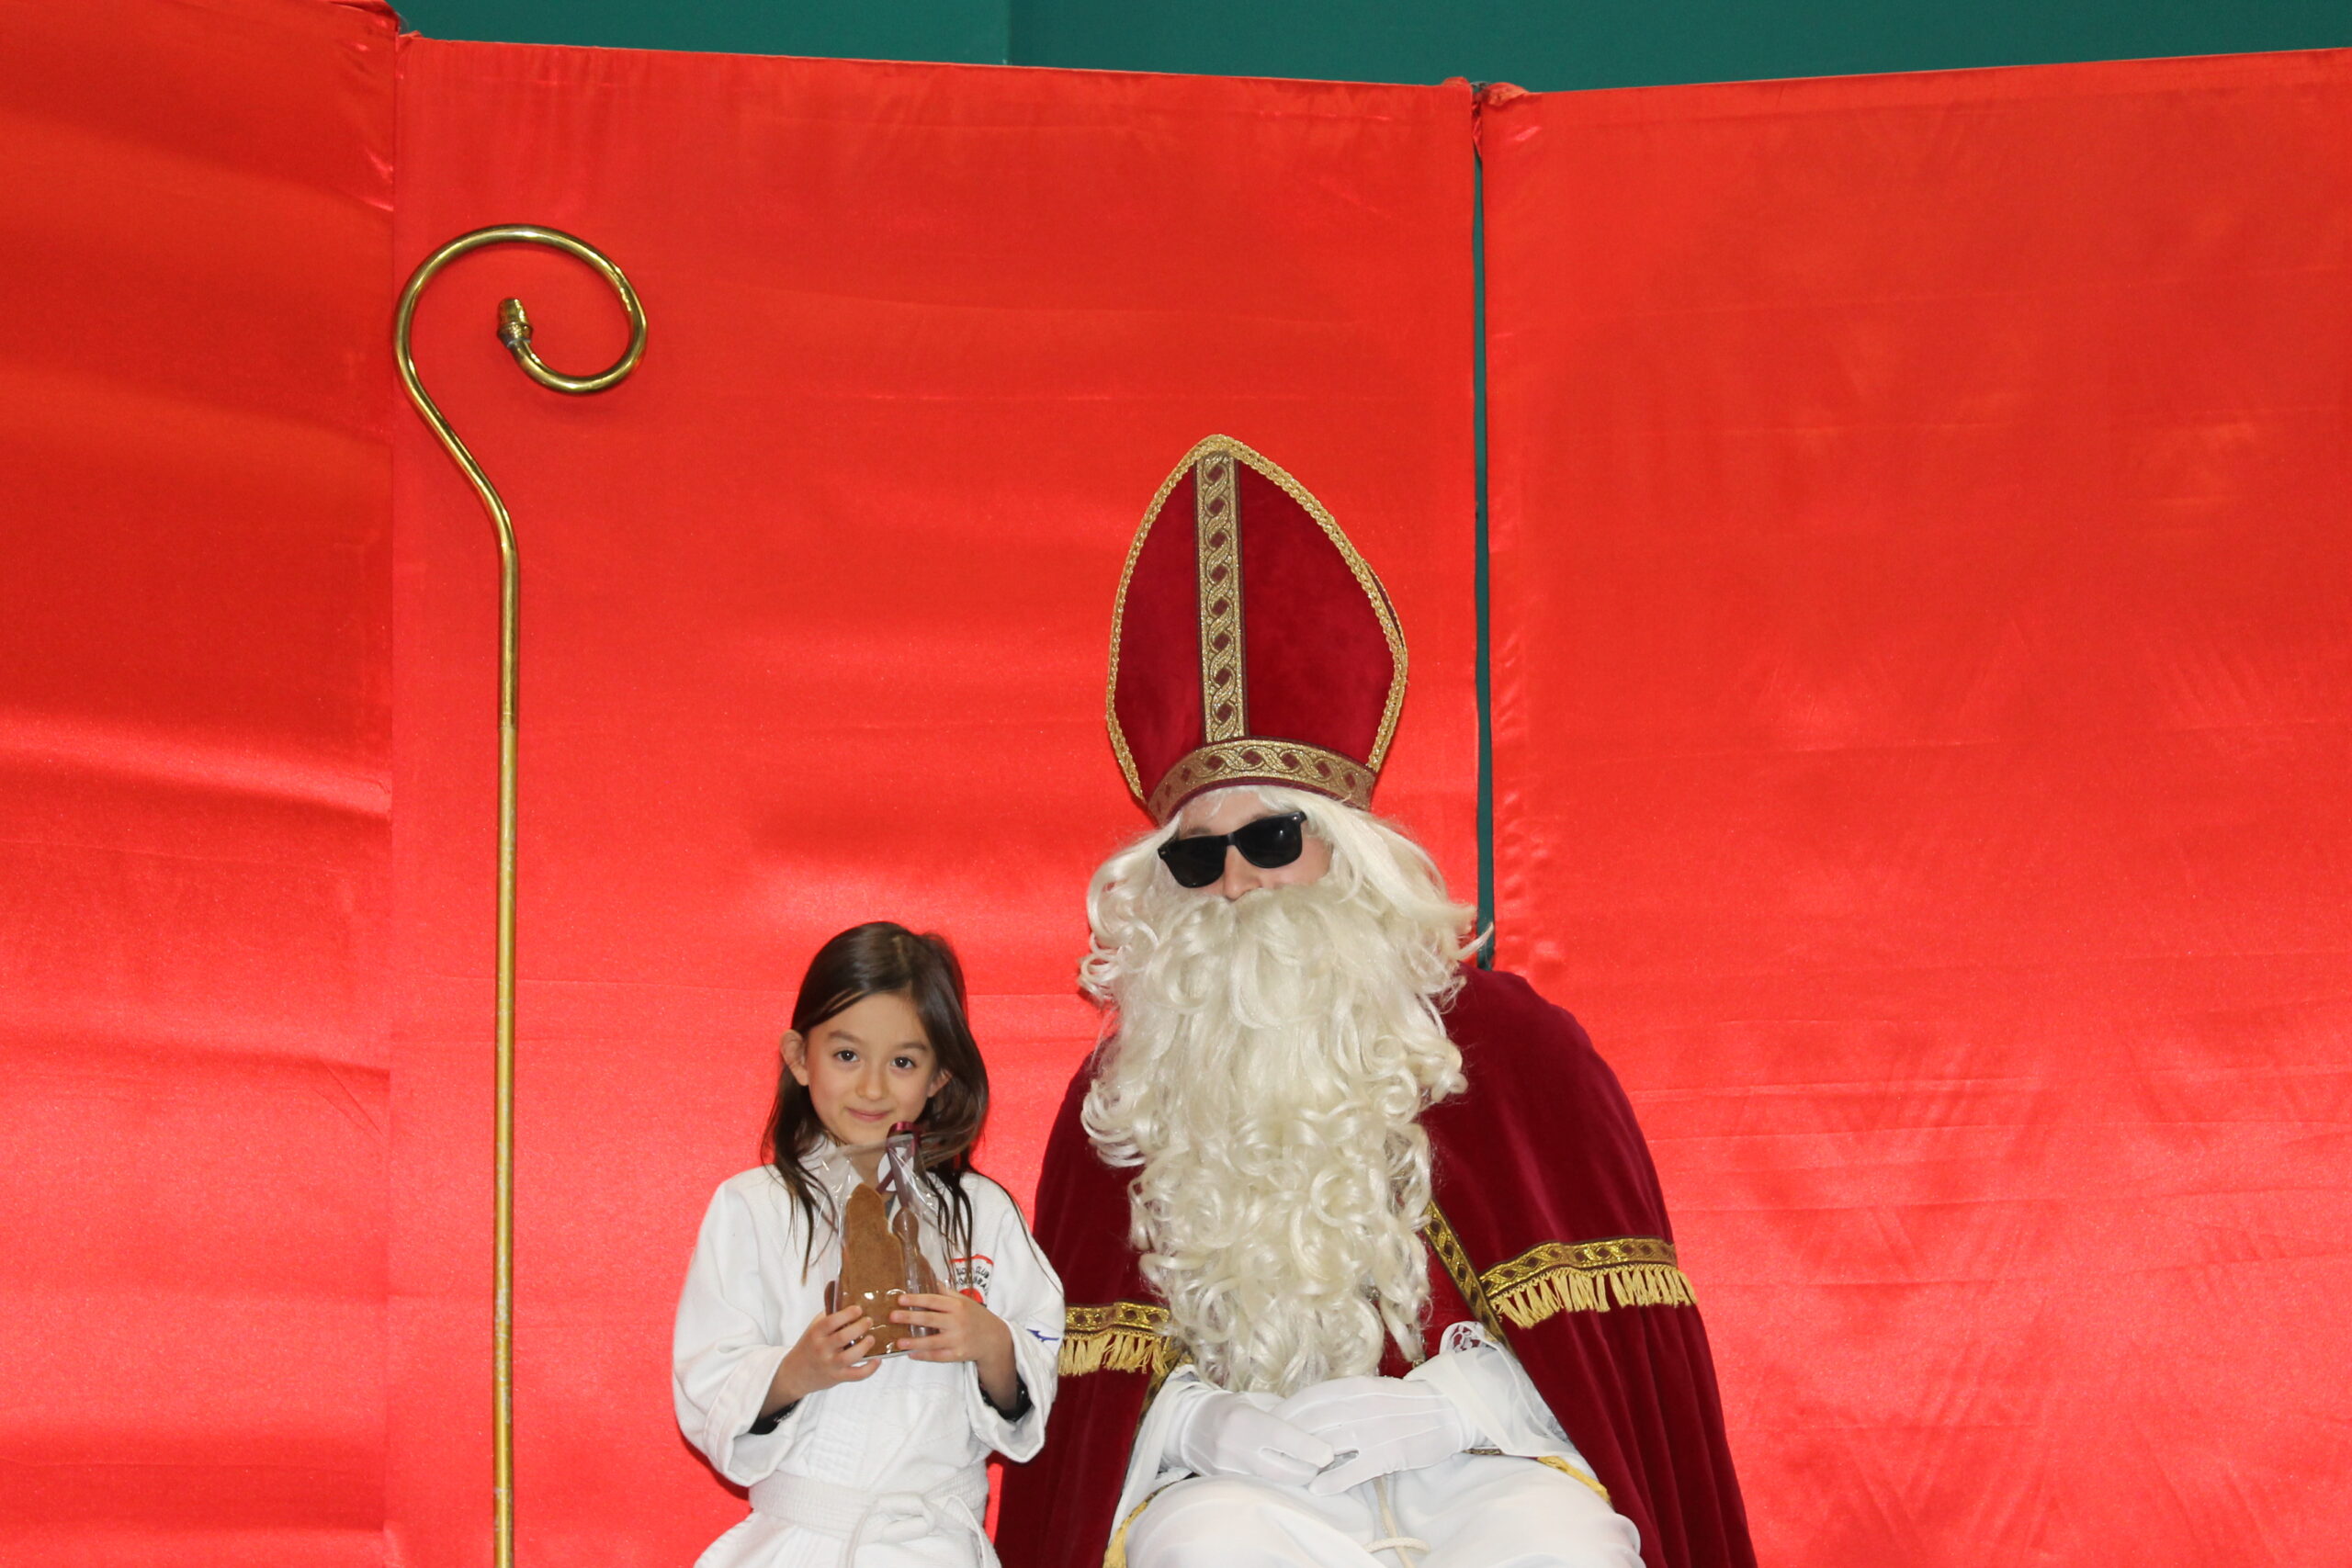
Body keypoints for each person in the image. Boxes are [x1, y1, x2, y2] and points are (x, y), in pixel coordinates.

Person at [994, 437, 1754, 1568]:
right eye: (1198, 859)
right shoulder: (1130, 1091)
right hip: (1243, 1487)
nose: (1237, 884)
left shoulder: (1508, 1046)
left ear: (1345, 852)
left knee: (1560, 1549)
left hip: (1483, 1462)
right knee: (1206, 1554)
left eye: (1270, 840)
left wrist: (1458, 1405)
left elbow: (1620, 1355)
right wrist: (1200, 1424)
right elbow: (1084, 1402)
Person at [674, 921, 1064, 1568]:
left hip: (936, 1542)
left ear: (939, 1076)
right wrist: (796, 1370)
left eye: (903, 1062)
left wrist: (992, 1342)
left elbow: (1041, 1350)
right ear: (800, 1057)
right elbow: (708, 1372)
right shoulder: (751, 1207)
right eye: (847, 1055)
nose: (874, 1087)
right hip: (804, 1540)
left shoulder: (983, 1212)